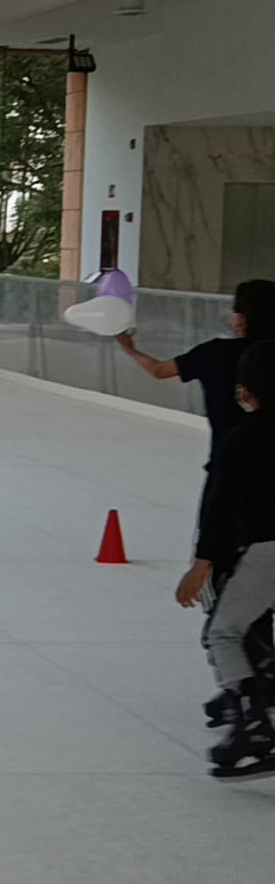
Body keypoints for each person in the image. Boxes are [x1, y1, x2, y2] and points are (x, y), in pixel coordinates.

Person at [117, 279, 275, 726]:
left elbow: (159, 370)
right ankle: (249, 677)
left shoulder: (217, 355)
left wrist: (128, 346)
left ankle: (246, 686)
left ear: (240, 318)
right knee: (258, 584)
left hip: (233, 478)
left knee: (224, 586)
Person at [179, 340, 275, 780]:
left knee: (224, 632)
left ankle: (252, 726)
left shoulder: (244, 439)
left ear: (248, 390)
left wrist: (201, 565)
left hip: (268, 549)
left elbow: (219, 508)